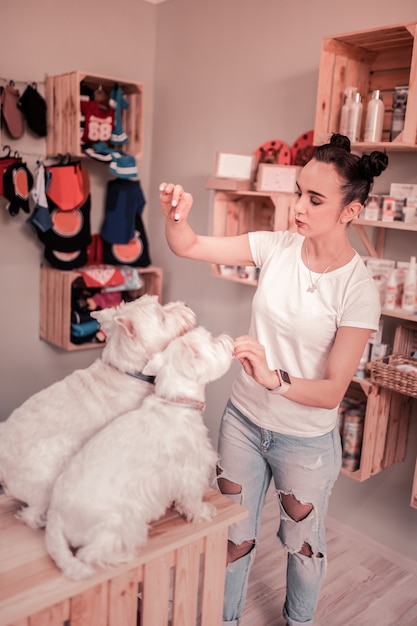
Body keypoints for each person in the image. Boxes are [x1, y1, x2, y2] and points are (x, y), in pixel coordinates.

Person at [159, 134, 388, 626]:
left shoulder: (358, 290)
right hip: (243, 422)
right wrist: (176, 213)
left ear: (351, 210)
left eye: (315, 199)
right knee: (232, 536)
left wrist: (273, 377)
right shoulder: (276, 247)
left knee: (303, 548)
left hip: (304, 442)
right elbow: (190, 244)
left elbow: (331, 389)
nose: (299, 207)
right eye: (299, 193)